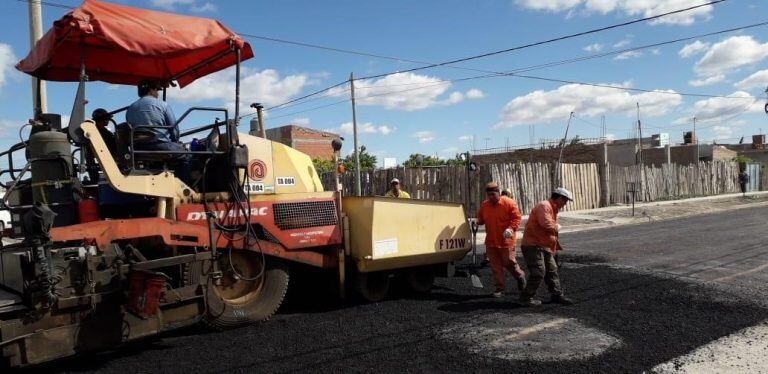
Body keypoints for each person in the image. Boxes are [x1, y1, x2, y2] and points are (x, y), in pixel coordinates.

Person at [126, 79, 192, 184]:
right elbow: (174, 129)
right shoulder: (162, 105)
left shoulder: (131, 108)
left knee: (157, 160)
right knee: (186, 154)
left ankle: (159, 182)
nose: (157, 93)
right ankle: (186, 187)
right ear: (151, 90)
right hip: (159, 146)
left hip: (138, 149)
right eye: (157, 90)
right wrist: (175, 142)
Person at [519, 187, 574, 306]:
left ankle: (557, 294)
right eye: (565, 200)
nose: (565, 204)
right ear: (559, 198)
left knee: (552, 270)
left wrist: (554, 247)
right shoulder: (544, 206)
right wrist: (556, 226)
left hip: (544, 246)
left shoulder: (552, 208)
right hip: (533, 246)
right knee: (539, 272)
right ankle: (526, 297)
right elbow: (546, 224)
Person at [476, 181, 525, 298]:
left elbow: (516, 218)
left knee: (509, 262)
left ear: (498, 192)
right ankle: (500, 288)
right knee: (495, 266)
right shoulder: (485, 205)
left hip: (506, 240)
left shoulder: (509, 203)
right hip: (491, 240)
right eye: (489, 195)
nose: (491, 197)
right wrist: (476, 222)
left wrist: (511, 229)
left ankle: (520, 276)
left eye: (493, 194)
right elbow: (481, 219)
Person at [84, 108, 117, 183]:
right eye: (106, 119)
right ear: (100, 120)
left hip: (101, 153)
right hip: (103, 153)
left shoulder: (102, 131)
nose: (107, 121)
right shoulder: (99, 131)